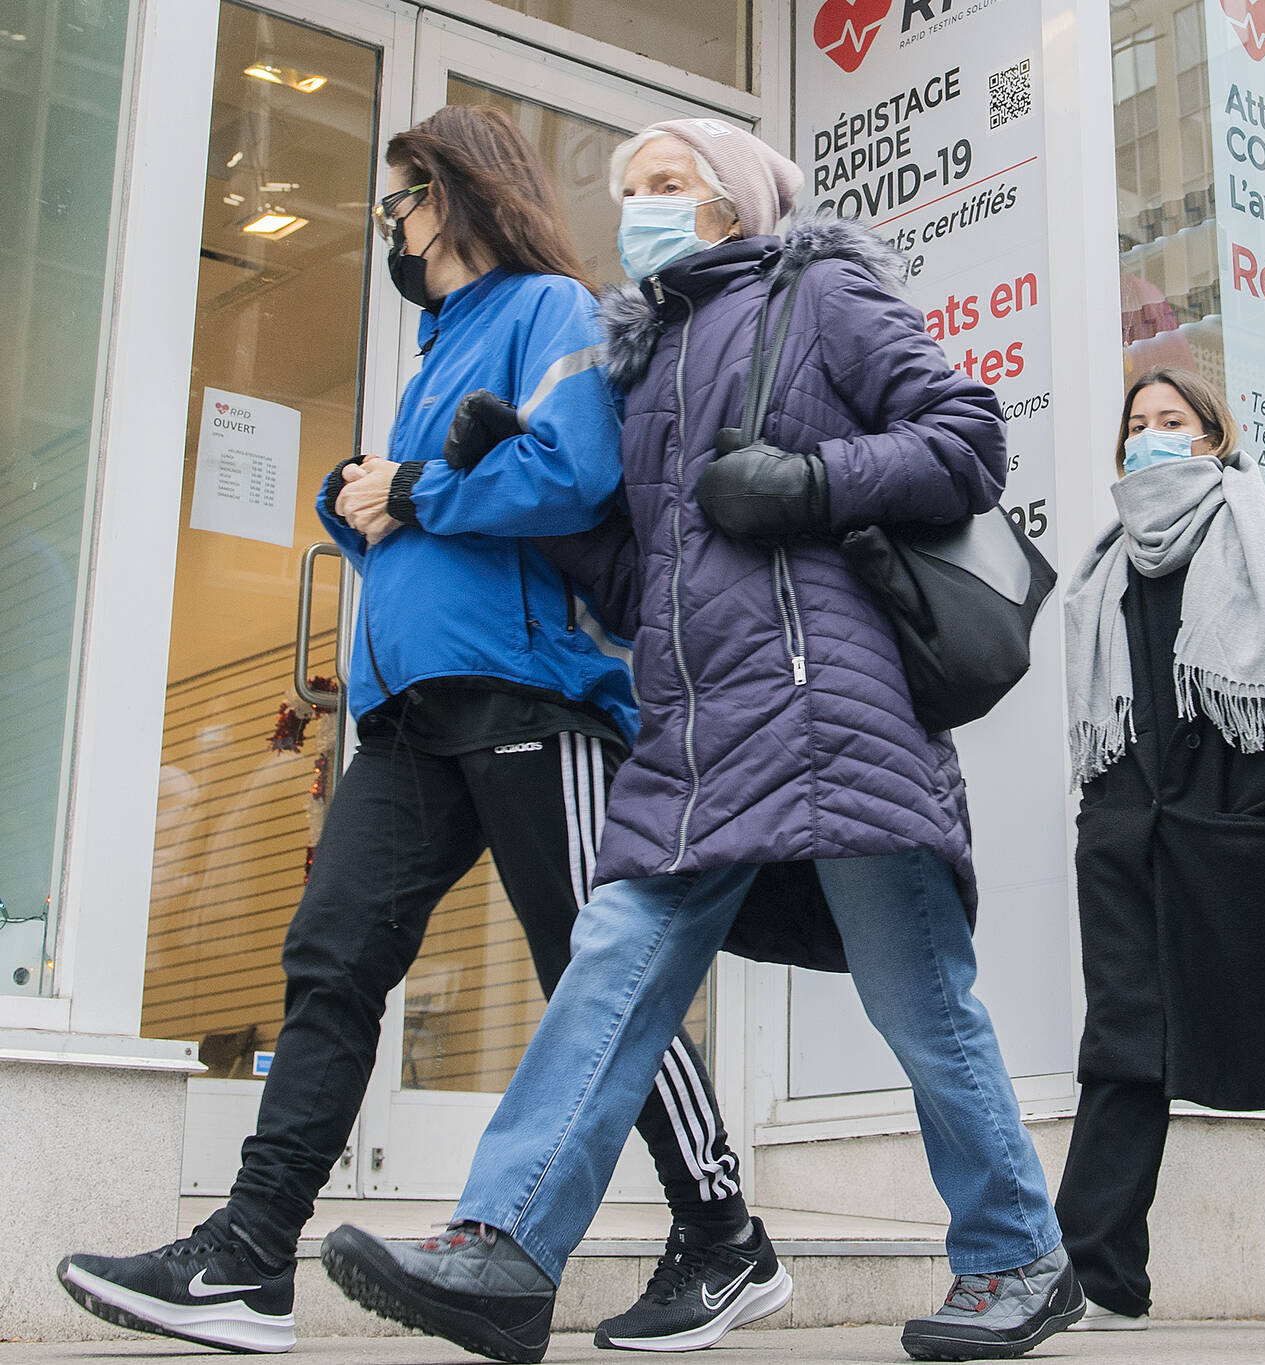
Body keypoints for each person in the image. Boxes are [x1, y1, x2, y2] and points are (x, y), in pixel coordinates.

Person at [316, 117, 1079, 1365]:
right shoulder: (642, 359)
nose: (639, 209)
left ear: (730, 203)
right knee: (610, 972)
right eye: (627, 191)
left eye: (665, 184)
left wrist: (810, 480)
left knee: (919, 1003)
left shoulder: (817, 290)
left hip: (832, 711)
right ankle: (508, 1247)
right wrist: (539, 506)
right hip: (695, 725)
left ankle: (1016, 1258)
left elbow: (965, 438)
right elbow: (639, 586)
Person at [55, 106, 771, 1357]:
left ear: (455, 193)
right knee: (329, 964)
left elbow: (570, 474)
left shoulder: (553, 308)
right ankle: (248, 1254)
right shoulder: (437, 347)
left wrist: (416, 490)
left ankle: (723, 1236)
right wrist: (357, 504)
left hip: (527, 697)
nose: (389, 221)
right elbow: (414, 517)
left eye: (401, 197)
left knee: (592, 980)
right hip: (404, 720)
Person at [1058, 369, 1265, 1331]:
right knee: (1125, 1046)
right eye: (1139, 426)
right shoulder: (1105, 565)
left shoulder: (1256, 533)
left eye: (1173, 420)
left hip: (1245, 839)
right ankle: (1097, 1274)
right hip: (1131, 845)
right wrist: (1108, 821)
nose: (1154, 436)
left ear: (1213, 434)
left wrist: (1246, 817)